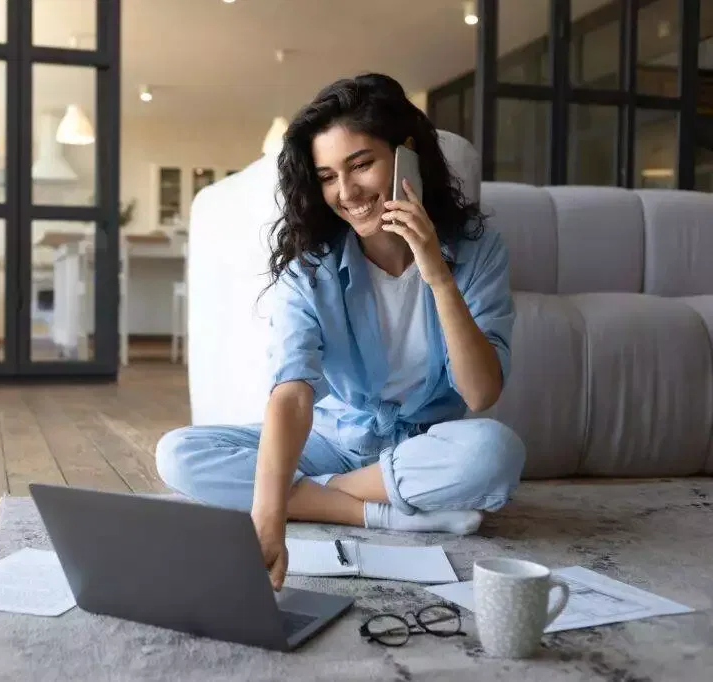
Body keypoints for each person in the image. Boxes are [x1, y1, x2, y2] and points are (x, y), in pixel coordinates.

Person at [155, 73, 526, 590]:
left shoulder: (478, 250)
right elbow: (292, 393)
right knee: (178, 454)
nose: (346, 193)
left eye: (361, 165)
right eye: (327, 176)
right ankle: (379, 513)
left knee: (494, 453)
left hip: (422, 446)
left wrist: (436, 273)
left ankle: (326, 498)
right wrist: (267, 521)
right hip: (332, 440)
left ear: (407, 158)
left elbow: (481, 393)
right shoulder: (312, 268)